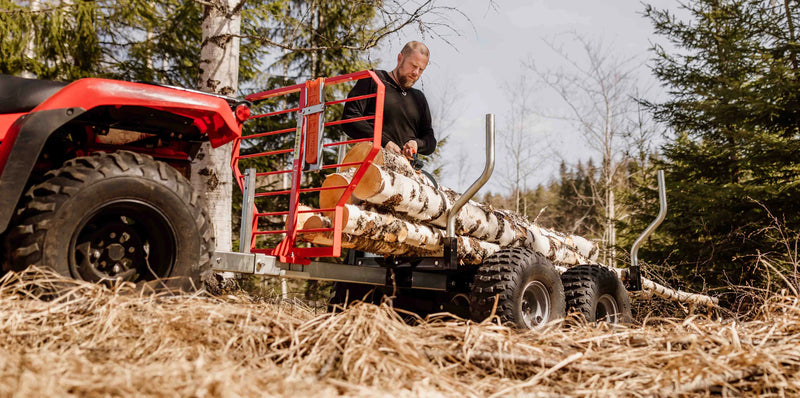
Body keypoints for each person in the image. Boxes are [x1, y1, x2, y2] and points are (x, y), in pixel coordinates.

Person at [341, 41, 436, 158]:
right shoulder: (374, 79)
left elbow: (430, 139)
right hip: (371, 161)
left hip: (406, 167)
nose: (416, 73)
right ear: (400, 58)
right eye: (413, 66)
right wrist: (384, 142)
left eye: (421, 69)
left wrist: (416, 144)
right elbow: (349, 119)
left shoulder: (419, 98)